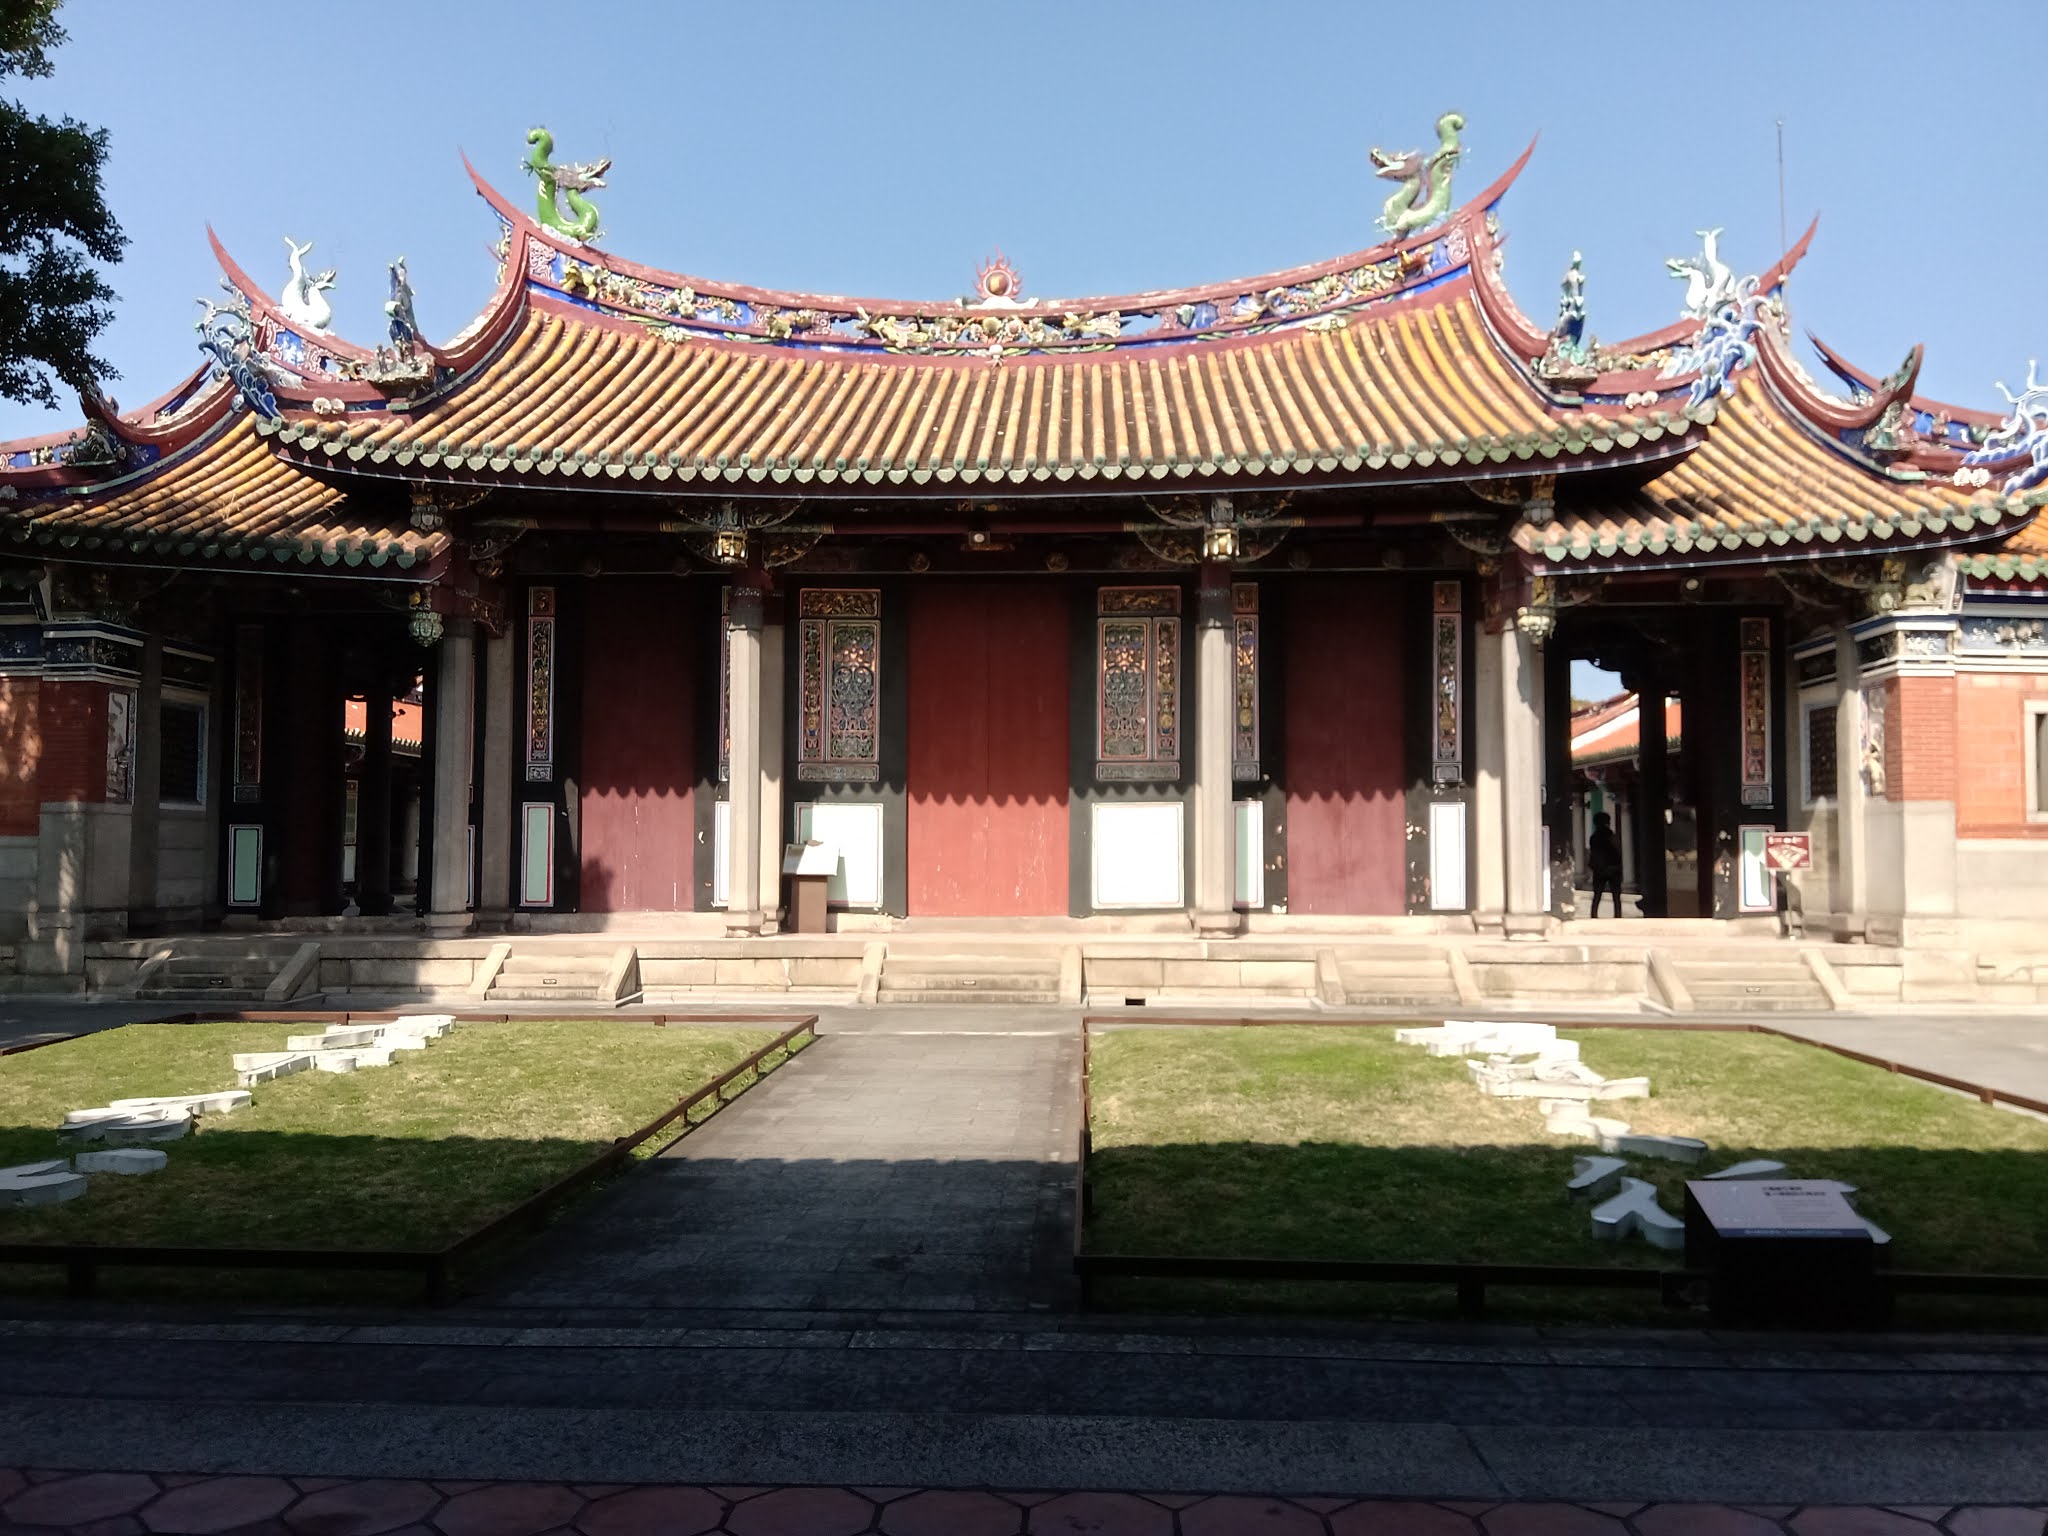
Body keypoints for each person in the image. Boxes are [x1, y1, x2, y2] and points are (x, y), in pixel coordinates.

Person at [1588, 811, 1624, 918]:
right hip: (1613, 868)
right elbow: (1618, 850)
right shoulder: (1611, 836)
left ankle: (1594, 915)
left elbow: (1593, 854)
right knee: (1616, 896)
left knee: (1597, 895)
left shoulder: (1594, 837)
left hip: (1599, 869)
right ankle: (1617, 915)